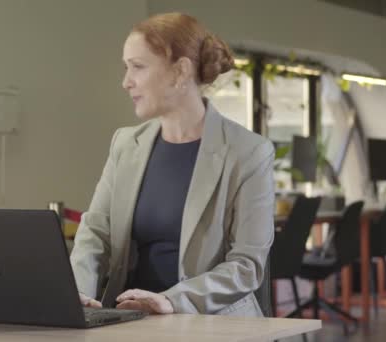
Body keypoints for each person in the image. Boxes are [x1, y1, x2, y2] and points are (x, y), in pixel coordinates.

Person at [70, 13, 274, 316]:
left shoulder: (249, 152)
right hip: (129, 321)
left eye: (137, 67)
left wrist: (172, 300)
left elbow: (246, 266)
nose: (126, 82)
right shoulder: (125, 144)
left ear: (180, 72)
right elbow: (95, 234)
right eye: (126, 67)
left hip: (212, 325)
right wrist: (79, 293)